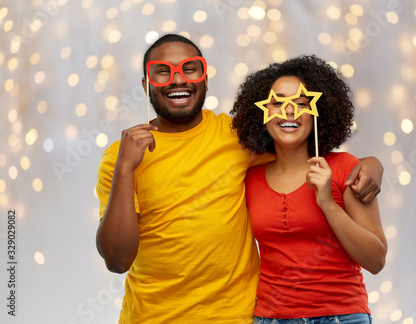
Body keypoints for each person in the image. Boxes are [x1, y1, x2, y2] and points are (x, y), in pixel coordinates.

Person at [95, 34, 384, 323]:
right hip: (152, 317)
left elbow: (295, 147)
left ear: (205, 79)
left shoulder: (238, 138)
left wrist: (371, 163)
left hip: (238, 316)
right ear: (147, 85)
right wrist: (125, 168)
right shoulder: (120, 158)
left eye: (189, 68)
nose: (178, 80)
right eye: (163, 71)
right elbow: (117, 260)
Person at [230, 55, 388, 324]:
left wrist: (327, 203)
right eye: (277, 103)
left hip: (341, 317)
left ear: (317, 113)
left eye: (301, 103)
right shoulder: (249, 179)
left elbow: (376, 260)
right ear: (262, 114)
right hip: (271, 318)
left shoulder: (344, 168)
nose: (289, 111)